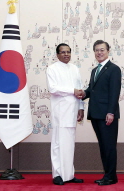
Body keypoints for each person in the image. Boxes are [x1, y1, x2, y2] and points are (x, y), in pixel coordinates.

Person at [81, 40, 121, 186]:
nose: (99, 52)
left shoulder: (114, 69)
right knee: (103, 146)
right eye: (97, 50)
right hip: (96, 114)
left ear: (108, 51)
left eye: (102, 50)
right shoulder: (95, 70)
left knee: (109, 146)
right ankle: (108, 175)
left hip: (107, 115)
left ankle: (111, 177)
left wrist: (111, 112)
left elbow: (114, 92)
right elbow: (92, 90)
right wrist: (82, 94)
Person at [46, 43, 85, 185]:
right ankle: (57, 174)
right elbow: (53, 88)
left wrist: (81, 107)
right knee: (58, 143)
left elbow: (79, 89)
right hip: (60, 112)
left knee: (69, 143)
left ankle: (68, 175)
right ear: (57, 54)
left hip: (73, 111)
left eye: (68, 52)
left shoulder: (74, 68)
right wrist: (72, 90)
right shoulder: (52, 69)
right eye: (63, 52)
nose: (66, 54)